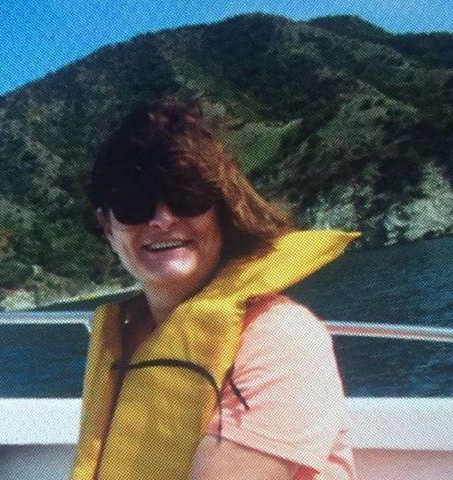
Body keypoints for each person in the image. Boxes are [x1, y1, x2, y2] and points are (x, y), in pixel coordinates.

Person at [69, 98, 362, 480]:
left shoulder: (281, 337)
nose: (162, 219)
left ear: (222, 211)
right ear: (108, 227)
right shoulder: (126, 341)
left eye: (185, 195)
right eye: (133, 202)